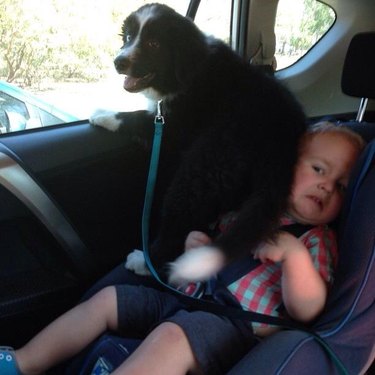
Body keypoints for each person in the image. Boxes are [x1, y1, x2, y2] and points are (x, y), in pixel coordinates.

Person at [0, 122, 365, 375]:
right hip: (183, 298)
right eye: (318, 169)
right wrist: (199, 245)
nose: (327, 187)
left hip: (230, 327)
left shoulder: (317, 240)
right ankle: (24, 361)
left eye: (343, 186)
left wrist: (295, 259)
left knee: (171, 338)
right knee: (110, 299)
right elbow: (214, 248)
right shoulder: (251, 210)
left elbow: (309, 309)